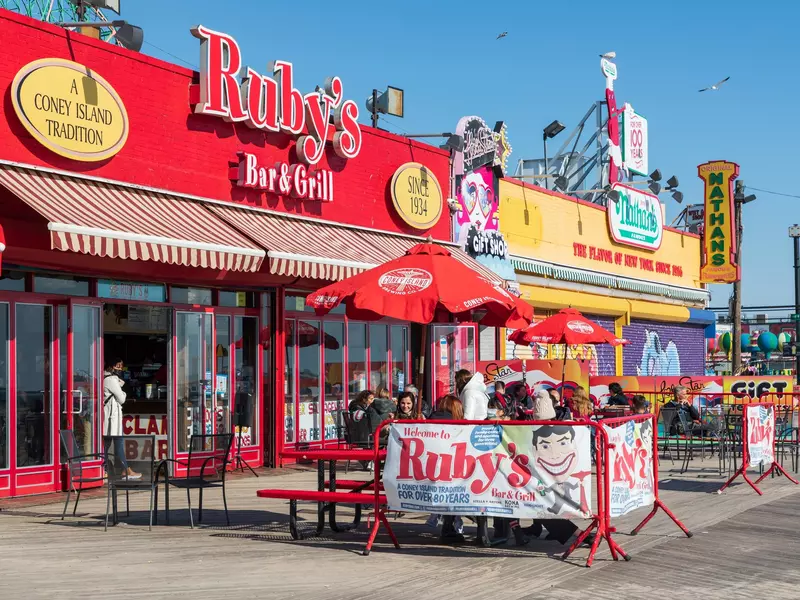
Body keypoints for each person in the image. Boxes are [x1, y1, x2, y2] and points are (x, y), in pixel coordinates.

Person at [103, 358, 141, 480]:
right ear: (111, 367)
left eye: (121, 366)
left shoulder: (108, 379)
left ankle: (103, 469)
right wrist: (123, 392)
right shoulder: (110, 380)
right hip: (112, 418)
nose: (120, 368)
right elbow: (122, 398)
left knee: (107, 444)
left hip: (111, 417)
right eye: (118, 366)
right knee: (117, 442)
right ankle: (126, 470)